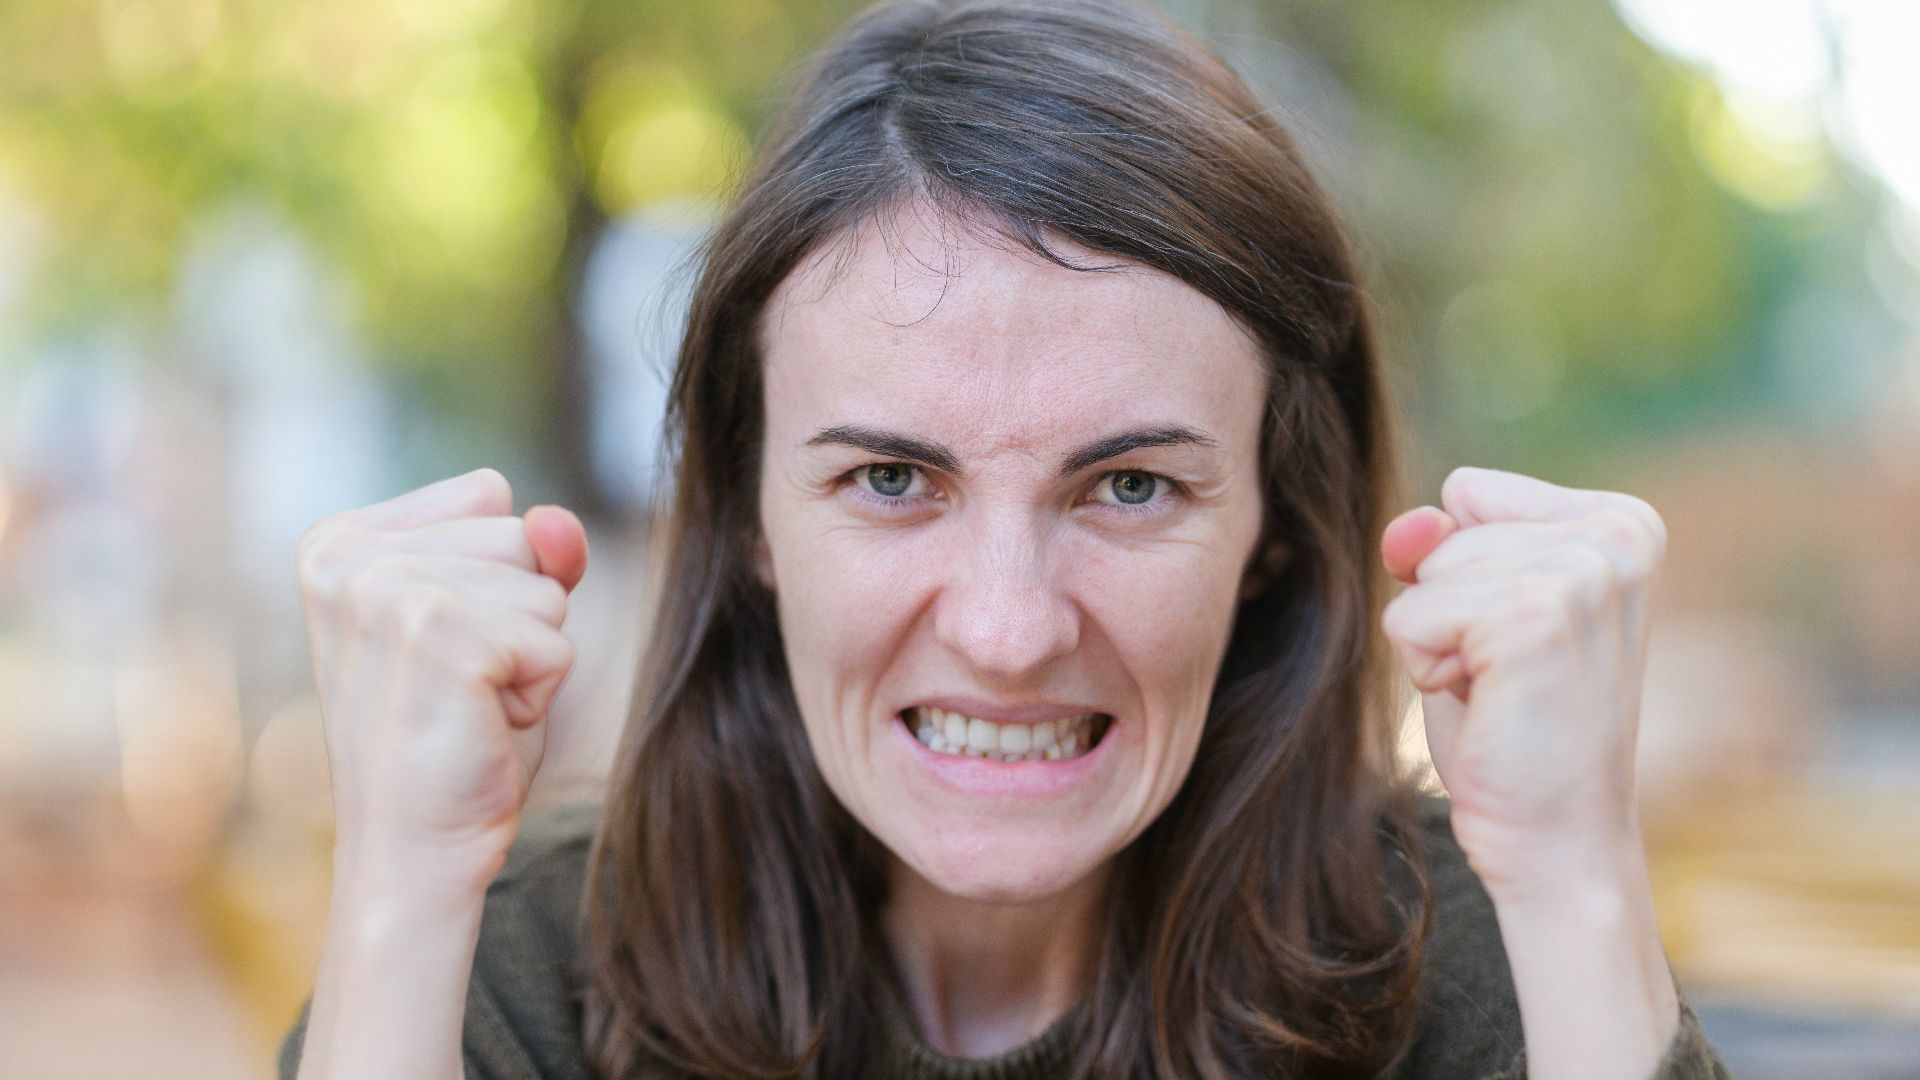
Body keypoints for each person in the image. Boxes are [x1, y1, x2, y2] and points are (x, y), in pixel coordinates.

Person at [277, 0, 1737, 1077]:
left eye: (1131, 489)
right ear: (752, 514)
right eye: (894, 480)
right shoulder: (522, 970)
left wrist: (1576, 881)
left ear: (1280, 527)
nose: (1007, 627)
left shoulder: (1466, 973)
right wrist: (402, 886)